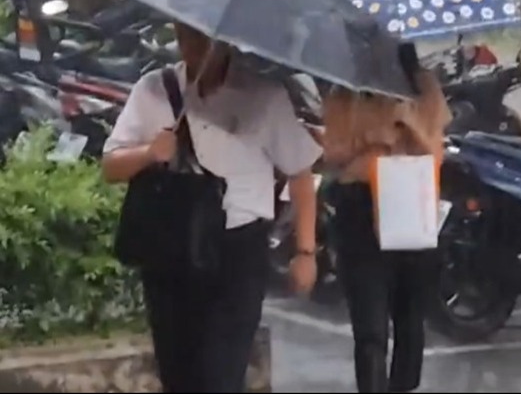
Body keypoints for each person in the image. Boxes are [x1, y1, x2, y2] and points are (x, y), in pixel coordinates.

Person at [101, 22, 323, 393]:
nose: (194, 46)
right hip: (170, 249)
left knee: (220, 376)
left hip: (237, 252)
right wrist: (149, 153)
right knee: (178, 374)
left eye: (203, 38)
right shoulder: (156, 90)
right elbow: (110, 166)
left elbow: (300, 173)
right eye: (186, 35)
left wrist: (305, 252)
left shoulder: (262, 96)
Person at [320, 65, 451, 393]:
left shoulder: (422, 85)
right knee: (370, 328)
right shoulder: (345, 92)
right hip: (360, 207)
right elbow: (329, 154)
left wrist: (408, 126)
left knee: (410, 320)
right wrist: (371, 138)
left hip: (409, 200)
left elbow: (436, 153)